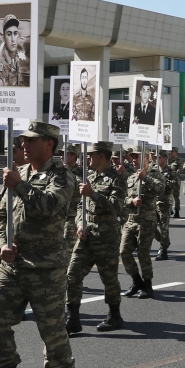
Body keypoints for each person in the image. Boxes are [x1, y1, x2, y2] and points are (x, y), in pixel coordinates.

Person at [0, 120, 75, 368]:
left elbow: (49, 206)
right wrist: (2, 244)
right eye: (23, 140)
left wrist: (18, 185)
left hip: (46, 266)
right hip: (12, 265)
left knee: (52, 329)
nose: (24, 145)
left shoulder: (62, 176)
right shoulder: (17, 174)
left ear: (49, 145)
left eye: (31, 141)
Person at [64, 141, 126, 333]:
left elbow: (116, 206)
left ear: (101, 156)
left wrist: (93, 194)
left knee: (109, 278)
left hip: (106, 236)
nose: (87, 158)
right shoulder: (89, 176)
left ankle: (114, 316)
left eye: (91, 154)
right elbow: (80, 206)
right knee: (72, 275)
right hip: (86, 235)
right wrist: (80, 223)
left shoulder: (117, 178)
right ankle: (72, 318)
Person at [119, 147, 164, 299]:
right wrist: (131, 200)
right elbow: (123, 199)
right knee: (124, 251)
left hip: (146, 220)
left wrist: (146, 178)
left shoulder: (155, 174)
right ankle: (136, 280)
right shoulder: (131, 177)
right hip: (131, 220)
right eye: (133, 157)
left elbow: (161, 189)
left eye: (137, 157)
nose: (134, 159)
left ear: (146, 158)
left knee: (143, 254)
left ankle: (148, 284)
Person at [0, 14, 30, 87]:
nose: (13, 39)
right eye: (9, 34)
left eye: (15, 33)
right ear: (4, 38)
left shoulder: (15, 58)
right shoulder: (0, 64)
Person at [153, 150, 178, 260]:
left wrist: (164, 182)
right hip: (153, 202)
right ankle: (165, 241)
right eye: (155, 157)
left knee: (164, 227)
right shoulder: (153, 170)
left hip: (165, 203)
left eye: (158, 157)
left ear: (164, 158)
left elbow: (176, 185)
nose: (156, 159)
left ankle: (163, 250)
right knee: (150, 226)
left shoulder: (171, 171)